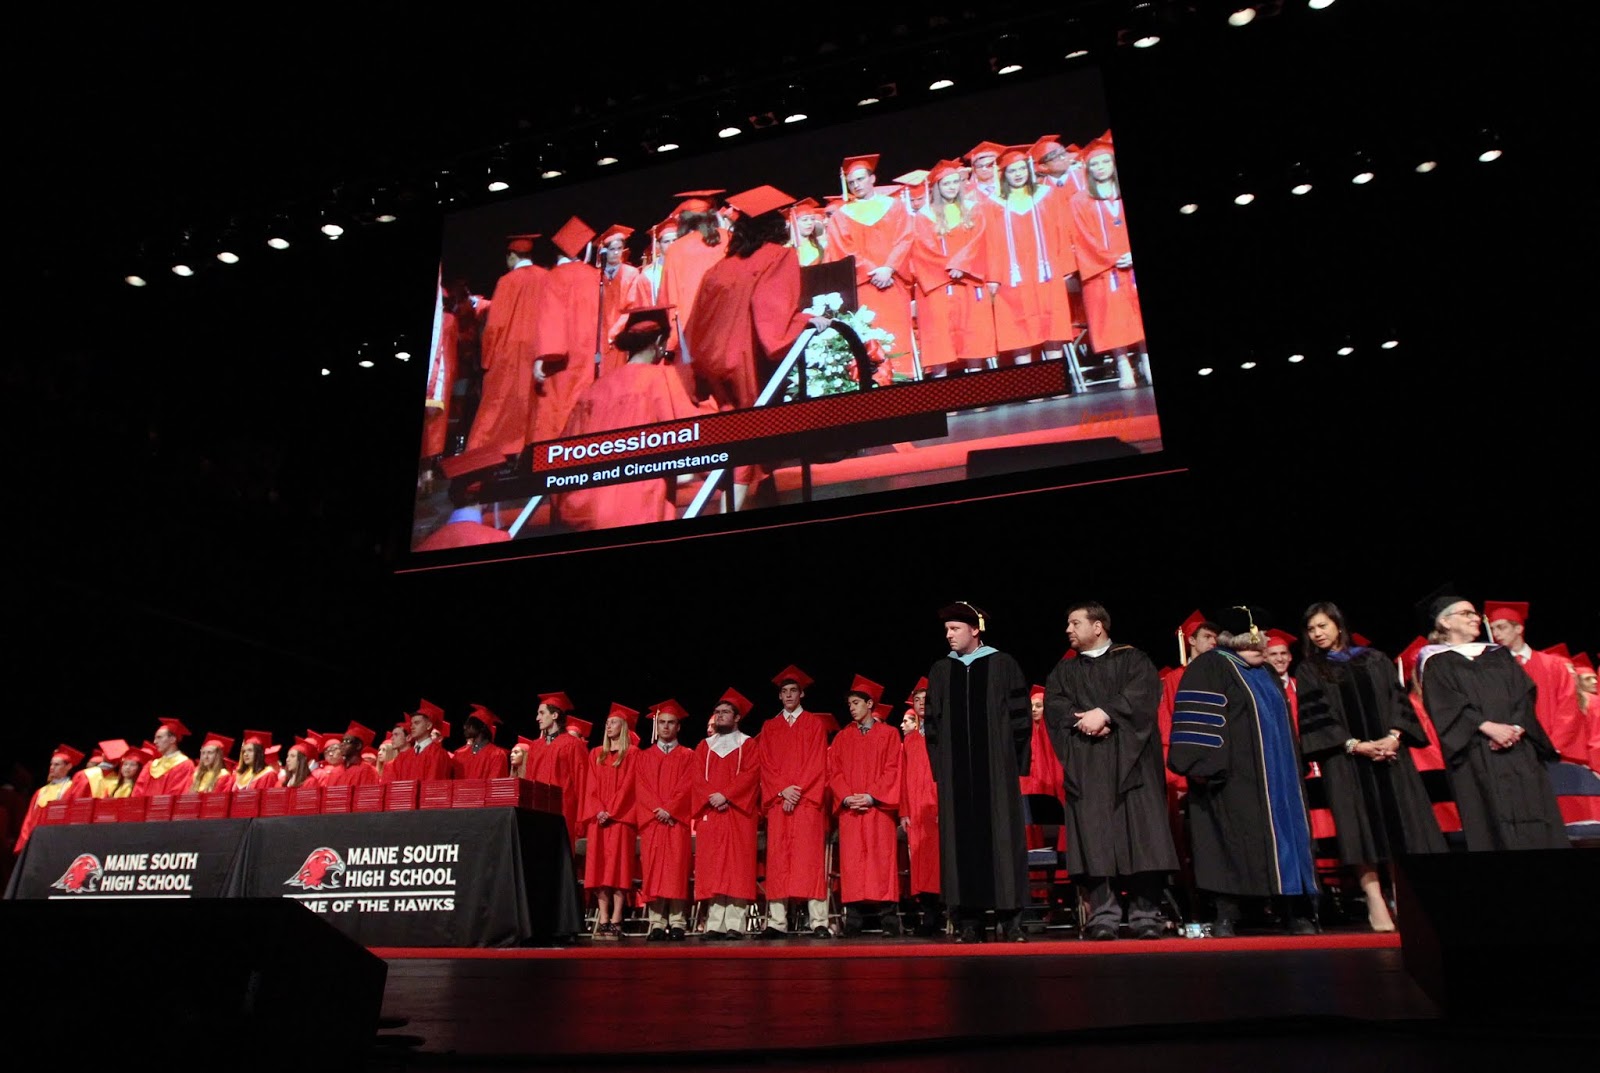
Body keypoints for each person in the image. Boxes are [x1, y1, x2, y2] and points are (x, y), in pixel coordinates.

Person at [1295, 601, 1447, 932]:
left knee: (1402, 825)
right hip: (1345, 760)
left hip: (1391, 754)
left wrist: (1393, 736)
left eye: (1322, 626)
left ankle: (1401, 896)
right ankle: (1374, 898)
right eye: (1311, 629)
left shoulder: (1375, 659)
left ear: (1338, 625)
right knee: (1358, 827)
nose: (1317, 633)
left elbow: (1398, 701)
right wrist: (1355, 745)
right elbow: (1318, 717)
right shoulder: (1309, 670)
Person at [1168, 611, 1319, 937]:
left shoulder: (1266, 671)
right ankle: (1227, 914)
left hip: (1279, 779)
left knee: (1286, 842)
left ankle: (1293, 910)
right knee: (1230, 843)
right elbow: (1199, 721)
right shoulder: (1210, 666)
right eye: (1257, 638)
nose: (1262, 643)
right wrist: (1202, 766)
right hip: (1230, 778)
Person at [1044, 601, 1179, 940]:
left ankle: (1145, 916)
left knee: (1142, 838)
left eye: (1075, 623)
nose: (1068, 630)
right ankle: (1103, 917)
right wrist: (1084, 721)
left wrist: (1104, 713)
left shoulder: (1133, 660)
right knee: (1095, 840)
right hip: (1087, 766)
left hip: (1134, 765)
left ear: (1098, 626)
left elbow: (1143, 696)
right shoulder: (1064, 671)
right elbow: (1055, 707)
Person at [1416, 595, 1566, 851]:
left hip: (1519, 750)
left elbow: (1524, 693)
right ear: (1445, 622)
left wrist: (1516, 728)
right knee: (1491, 823)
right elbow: (1444, 704)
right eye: (1466, 614)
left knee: (1536, 814)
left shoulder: (1499, 654)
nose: (1475, 618)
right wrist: (1489, 728)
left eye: (1475, 614)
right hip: (1476, 752)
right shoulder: (1435, 661)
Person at [548, 305, 716, 532]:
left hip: (586, 512)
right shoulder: (661, 379)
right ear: (659, 342)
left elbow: (562, 456)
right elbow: (697, 436)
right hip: (638, 508)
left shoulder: (594, 390)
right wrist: (714, 402)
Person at [921, 601, 1031, 943]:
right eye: (946, 630)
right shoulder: (941, 670)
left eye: (955, 629)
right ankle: (969, 920)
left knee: (1003, 841)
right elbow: (932, 725)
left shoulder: (1003, 664)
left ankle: (1011, 920)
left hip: (997, 773)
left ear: (974, 629)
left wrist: (1013, 765)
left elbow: (1021, 719)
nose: (949, 635)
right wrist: (941, 770)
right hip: (956, 777)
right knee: (961, 844)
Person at [687, 185, 824, 415]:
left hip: (712, 364)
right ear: (776, 225)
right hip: (747, 361)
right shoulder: (778, 256)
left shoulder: (718, 268)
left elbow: (699, 322)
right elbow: (772, 319)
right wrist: (804, 321)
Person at [956, 145, 1073, 367]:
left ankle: (1056, 376)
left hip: (1046, 272)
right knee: (1018, 328)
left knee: (1052, 324)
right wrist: (993, 277)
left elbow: (1062, 230)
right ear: (1003, 174)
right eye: (1012, 170)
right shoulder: (993, 204)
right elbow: (990, 244)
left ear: (1029, 170)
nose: (1018, 174)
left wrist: (1066, 267)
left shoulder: (1047, 195)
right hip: (1012, 275)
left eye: (1021, 169)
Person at [1065, 132, 1148, 388]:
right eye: (1095, 164)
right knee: (1112, 318)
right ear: (1088, 169)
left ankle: (1146, 361)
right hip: (1102, 271)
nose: (1100, 167)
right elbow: (1082, 237)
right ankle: (1123, 365)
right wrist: (1112, 259)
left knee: (1138, 312)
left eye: (1105, 162)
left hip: (1130, 265)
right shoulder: (1079, 200)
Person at [756, 664, 832, 939]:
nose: (788, 695)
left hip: (806, 804)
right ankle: (777, 922)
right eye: (784, 691)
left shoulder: (814, 724)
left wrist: (795, 792)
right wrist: (781, 791)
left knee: (809, 861)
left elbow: (817, 763)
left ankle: (819, 921)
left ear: (802, 694)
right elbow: (765, 764)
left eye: (793, 690)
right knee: (778, 862)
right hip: (780, 804)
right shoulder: (770, 727)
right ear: (779, 696)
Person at [825, 155, 917, 378]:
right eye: (851, 182)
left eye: (860, 179)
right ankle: (877, 382)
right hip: (865, 287)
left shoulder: (894, 206)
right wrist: (875, 271)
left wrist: (889, 268)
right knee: (871, 337)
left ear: (872, 178)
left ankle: (906, 380)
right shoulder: (842, 215)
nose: (856, 185)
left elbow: (905, 238)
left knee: (898, 334)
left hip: (893, 282)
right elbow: (845, 251)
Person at [829, 676, 904, 937]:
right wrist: (847, 797)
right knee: (853, 865)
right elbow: (834, 772)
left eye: (856, 703)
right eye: (850, 704)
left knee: (881, 862)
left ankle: (889, 921)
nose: (852, 708)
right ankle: (853, 922)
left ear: (870, 704)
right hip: (851, 810)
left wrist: (871, 796)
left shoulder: (889, 734)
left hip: (878, 809)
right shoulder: (842, 737)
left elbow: (893, 769)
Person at [908, 159, 997, 377]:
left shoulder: (973, 210)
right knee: (940, 340)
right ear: (937, 187)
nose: (952, 187)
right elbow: (922, 250)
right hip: (939, 286)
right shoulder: (924, 216)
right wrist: (950, 269)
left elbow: (980, 242)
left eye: (955, 182)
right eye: (946, 183)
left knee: (974, 336)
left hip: (969, 281)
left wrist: (962, 265)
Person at [466, 234, 546, 457]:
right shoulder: (546, 277)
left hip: (509, 352)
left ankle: (484, 456)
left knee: (497, 406)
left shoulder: (508, 281)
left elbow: (495, 325)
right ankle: (524, 453)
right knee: (531, 404)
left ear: (512, 256)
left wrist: (486, 359)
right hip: (538, 350)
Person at [528, 217, 603, 447]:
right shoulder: (595, 275)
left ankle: (554, 459)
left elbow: (551, 317)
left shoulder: (554, 276)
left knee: (557, 410)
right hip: (591, 351)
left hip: (563, 357)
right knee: (586, 407)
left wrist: (544, 356)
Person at [1484, 600, 1587, 765]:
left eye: (1501, 627)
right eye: (1493, 628)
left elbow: (1568, 707)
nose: (1496, 634)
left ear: (1518, 628)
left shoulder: (1552, 665)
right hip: (1510, 753)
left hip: (1551, 750)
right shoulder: (1492, 669)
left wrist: (1553, 745)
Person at [693, 690, 762, 940]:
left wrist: (727, 795)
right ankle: (714, 924)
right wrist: (712, 796)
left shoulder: (748, 744)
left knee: (737, 866)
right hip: (712, 813)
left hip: (738, 813)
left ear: (737, 717)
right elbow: (696, 777)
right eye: (717, 712)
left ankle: (735, 923)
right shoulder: (705, 746)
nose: (720, 716)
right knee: (713, 867)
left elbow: (751, 775)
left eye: (725, 712)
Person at [635, 700, 696, 941]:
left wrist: (670, 810)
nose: (666, 727)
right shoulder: (644, 757)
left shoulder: (688, 756)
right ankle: (657, 923)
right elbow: (641, 788)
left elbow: (688, 786)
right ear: (656, 725)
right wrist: (657, 810)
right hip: (653, 823)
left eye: (671, 723)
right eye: (662, 723)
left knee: (677, 870)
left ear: (678, 727)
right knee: (654, 871)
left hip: (675, 822)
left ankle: (678, 922)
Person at [584, 704, 640, 940]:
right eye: (607, 723)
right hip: (599, 821)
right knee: (598, 870)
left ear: (624, 727)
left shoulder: (633, 754)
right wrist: (598, 810)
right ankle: (603, 919)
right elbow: (590, 786)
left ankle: (617, 919)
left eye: (614, 722)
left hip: (621, 820)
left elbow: (629, 786)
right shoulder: (596, 753)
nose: (608, 726)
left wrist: (612, 810)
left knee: (619, 869)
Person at [898, 678, 941, 935]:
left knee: (940, 863)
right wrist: (904, 812)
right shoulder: (910, 740)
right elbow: (903, 779)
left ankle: (950, 915)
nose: (921, 704)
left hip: (937, 810)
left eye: (926, 700)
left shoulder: (943, 735)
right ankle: (930, 918)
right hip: (916, 811)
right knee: (921, 865)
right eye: (917, 700)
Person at [527, 691, 590, 852]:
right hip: (538, 810)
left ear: (555, 715)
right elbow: (529, 781)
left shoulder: (573, 745)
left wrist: (581, 819)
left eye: (542, 713)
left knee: (561, 853)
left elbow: (582, 784)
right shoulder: (535, 746)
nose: (537, 718)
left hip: (564, 811)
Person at [15, 744, 87, 855]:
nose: (52, 767)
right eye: (51, 764)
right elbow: (29, 819)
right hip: (36, 843)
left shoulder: (72, 789)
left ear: (68, 766)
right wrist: (25, 843)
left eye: (57, 764)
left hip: (57, 842)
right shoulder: (41, 792)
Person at [595, 224, 644, 375]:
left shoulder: (631, 274)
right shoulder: (596, 276)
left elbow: (632, 307)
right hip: (598, 336)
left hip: (621, 335)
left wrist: (614, 332)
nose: (616, 253)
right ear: (604, 251)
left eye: (619, 248)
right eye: (612, 249)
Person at [384, 700, 453, 783]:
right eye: (411, 724)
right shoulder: (403, 757)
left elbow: (433, 785)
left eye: (416, 723)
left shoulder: (438, 754)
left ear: (428, 725)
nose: (412, 727)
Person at [134, 718, 196, 796]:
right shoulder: (151, 765)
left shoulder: (185, 765)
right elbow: (138, 792)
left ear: (172, 739)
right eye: (155, 738)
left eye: (159, 737)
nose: (155, 742)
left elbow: (178, 793)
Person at [452, 705, 509, 779]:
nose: (465, 727)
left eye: (470, 724)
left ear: (482, 727)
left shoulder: (497, 755)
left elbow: (495, 783)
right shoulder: (459, 754)